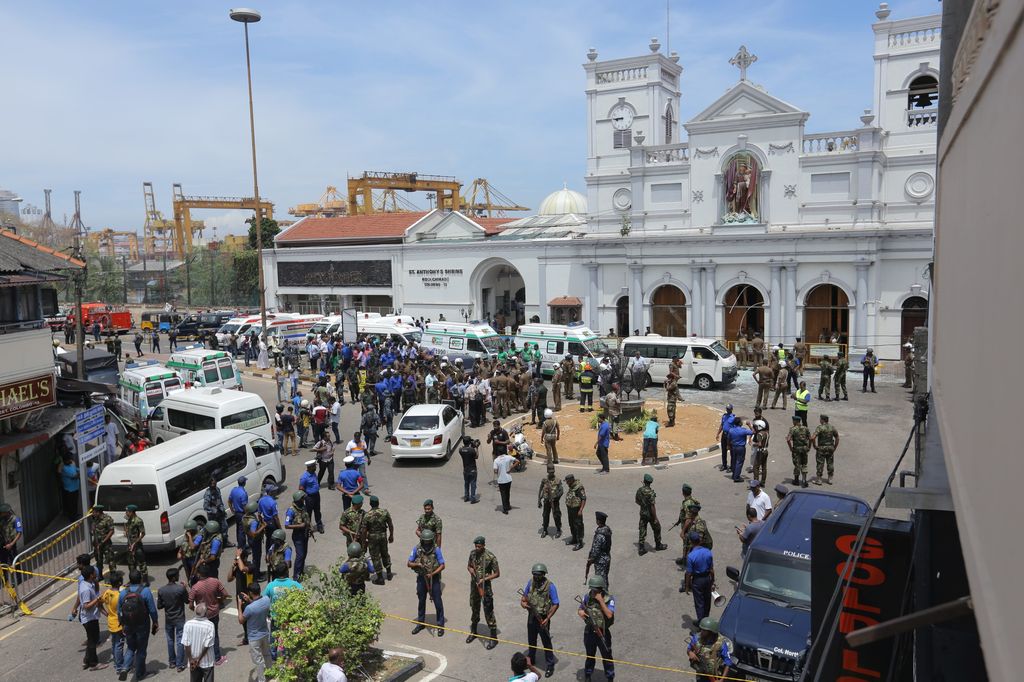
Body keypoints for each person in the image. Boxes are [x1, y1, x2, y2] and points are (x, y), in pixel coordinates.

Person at [118, 569, 159, 681]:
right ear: (140, 579)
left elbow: (119, 612)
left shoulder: (123, 593)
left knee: (130, 647)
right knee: (141, 649)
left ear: (129, 580)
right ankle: (140, 673)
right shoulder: (145, 591)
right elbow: (152, 610)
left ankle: (125, 668)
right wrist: (155, 622)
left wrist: (122, 625)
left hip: (128, 625)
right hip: (142, 625)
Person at [188, 563, 230, 666]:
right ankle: (217, 657)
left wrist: (196, 609)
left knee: (203, 636)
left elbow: (190, 605)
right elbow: (225, 594)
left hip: (202, 615)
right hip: (214, 613)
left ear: (199, 574)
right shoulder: (215, 581)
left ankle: (203, 657)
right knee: (214, 635)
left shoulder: (195, 587)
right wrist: (218, 601)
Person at [521, 563, 558, 678]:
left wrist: (547, 618)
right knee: (531, 640)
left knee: (546, 642)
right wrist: (524, 604)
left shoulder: (550, 586)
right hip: (532, 617)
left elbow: (556, 604)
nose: (536, 577)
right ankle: (531, 659)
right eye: (534, 574)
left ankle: (550, 665)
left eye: (538, 575)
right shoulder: (531, 582)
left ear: (543, 574)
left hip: (543, 618)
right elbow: (523, 598)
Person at [578, 574, 615, 682]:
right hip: (589, 632)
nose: (593, 592)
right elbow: (581, 608)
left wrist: (601, 601)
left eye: (595, 590)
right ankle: (588, 675)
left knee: (607, 656)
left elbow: (609, 615)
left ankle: (610, 677)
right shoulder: (587, 596)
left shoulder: (609, 599)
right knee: (590, 655)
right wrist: (580, 612)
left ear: (601, 589)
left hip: (603, 632)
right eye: (592, 589)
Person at [408, 529, 445, 636]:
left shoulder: (436, 549)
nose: (427, 543)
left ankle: (440, 625)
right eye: (425, 541)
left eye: (429, 541)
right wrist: (418, 565)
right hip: (421, 579)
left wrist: (432, 574)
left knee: (438, 602)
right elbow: (409, 563)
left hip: (434, 579)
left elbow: (442, 565)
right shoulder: (417, 548)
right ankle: (420, 623)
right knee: (421, 600)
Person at [465, 536, 500, 648]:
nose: (477, 548)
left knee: (488, 610)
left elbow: (497, 573)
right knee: (474, 608)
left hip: (485, 587)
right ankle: (474, 632)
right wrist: (473, 573)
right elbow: (469, 566)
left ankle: (493, 638)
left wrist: (484, 579)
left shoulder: (490, 557)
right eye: (476, 546)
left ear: (484, 545)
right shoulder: (473, 554)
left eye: (479, 546)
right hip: (474, 585)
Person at [237, 583, 272, 682]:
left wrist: (239, 605)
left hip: (254, 638)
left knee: (258, 661)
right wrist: (250, 600)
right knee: (267, 655)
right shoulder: (266, 599)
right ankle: (271, 673)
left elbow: (241, 620)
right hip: (265, 633)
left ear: (251, 593)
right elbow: (258, 605)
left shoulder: (249, 608)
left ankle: (262, 680)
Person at [76, 565, 107, 671]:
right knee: (93, 641)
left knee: (91, 640)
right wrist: (97, 599)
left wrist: (105, 613)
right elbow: (86, 606)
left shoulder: (90, 584)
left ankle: (87, 660)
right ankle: (94, 664)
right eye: (94, 572)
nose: (96, 573)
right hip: (89, 619)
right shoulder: (85, 589)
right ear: (90, 575)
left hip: (93, 617)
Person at [158, 568, 189, 673]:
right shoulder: (180, 589)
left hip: (169, 619)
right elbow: (187, 601)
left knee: (170, 640)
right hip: (179, 618)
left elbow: (159, 606)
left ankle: (172, 662)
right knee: (180, 641)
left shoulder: (161, 590)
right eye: (177, 575)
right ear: (174, 577)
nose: (179, 576)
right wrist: (185, 588)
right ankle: (179, 665)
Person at [687, 617, 735, 682]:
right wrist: (690, 652)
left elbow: (728, 662)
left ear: (711, 632)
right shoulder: (697, 637)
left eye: (704, 631)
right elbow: (689, 649)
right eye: (701, 629)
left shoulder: (721, 643)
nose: (701, 632)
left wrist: (722, 679)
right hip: (701, 671)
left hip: (714, 675)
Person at [684, 531, 715, 622]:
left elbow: (688, 573)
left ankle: (701, 625)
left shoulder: (690, 556)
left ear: (691, 541)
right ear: (699, 540)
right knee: (707, 601)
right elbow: (712, 570)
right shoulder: (708, 552)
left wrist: (687, 586)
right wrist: (712, 581)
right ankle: (706, 621)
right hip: (707, 579)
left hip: (697, 581)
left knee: (699, 603)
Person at [363, 496, 394, 584]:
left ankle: (380, 578)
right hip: (383, 536)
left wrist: (364, 540)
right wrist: (391, 535)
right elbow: (390, 525)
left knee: (375, 557)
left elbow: (364, 530)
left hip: (372, 537)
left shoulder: (367, 515)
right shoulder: (384, 512)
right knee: (385, 553)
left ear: (370, 504)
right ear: (378, 503)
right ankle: (389, 573)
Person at [182, 602, 216, 681]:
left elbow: (186, 644)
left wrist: (191, 659)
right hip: (207, 661)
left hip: (193, 662)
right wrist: (199, 659)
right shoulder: (210, 625)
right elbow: (207, 645)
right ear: (206, 613)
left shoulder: (188, 624)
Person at [635, 473, 667, 555]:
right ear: (650, 482)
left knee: (642, 529)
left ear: (644, 481)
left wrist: (643, 505)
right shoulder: (650, 493)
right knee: (657, 528)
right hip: (650, 514)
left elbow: (637, 501)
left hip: (642, 512)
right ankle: (658, 545)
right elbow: (652, 506)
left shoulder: (639, 490)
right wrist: (655, 517)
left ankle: (641, 548)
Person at [285, 491, 311, 580]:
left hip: (305, 533)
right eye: (303, 498)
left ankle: (301, 571)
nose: (304, 499)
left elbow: (306, 518)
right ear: (299, 500)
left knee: (304, 554)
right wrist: (299, 526)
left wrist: (309, 527)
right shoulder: (291, 510)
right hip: (297, 535)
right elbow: (287, 525)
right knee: (300, 555)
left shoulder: (302, 506)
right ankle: (296, 576)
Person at [811, 414, 840, 485]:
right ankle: (830, 479)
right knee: (830, 463)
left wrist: (814, 446)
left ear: (822, 420)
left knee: (820, 463)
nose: (819, 420)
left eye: (820, 419)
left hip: (821, 448)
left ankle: (819, 480)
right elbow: (837, 437)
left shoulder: (820, 428)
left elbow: (813, 437)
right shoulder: (832, 427)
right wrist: (834, 447)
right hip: (830, 448)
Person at [123, 504, 148, 584]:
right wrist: (126, 532)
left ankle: (145, 581)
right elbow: (129, 532)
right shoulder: (129, 520)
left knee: (142, 564)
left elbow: (143, 533)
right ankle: (133, 580)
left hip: (137, 545)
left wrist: (135, 543)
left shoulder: (138, 520)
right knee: (131, 564)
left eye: (127, 512)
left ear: (132, 512)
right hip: (130, 545)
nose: (126, 513)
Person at [786, 414, 812, 488]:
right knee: (804, 464)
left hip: (796, 449)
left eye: (793, 421)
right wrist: (809, 447)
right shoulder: (805, 428)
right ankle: (804, 481)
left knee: (797, 464)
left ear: (795, 421)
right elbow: (810, 439)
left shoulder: (793, 429)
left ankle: (796, 480)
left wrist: (790, 448)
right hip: (804, 449)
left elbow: (788, 439)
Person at [537, 467, 563, 539]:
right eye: (550, 472)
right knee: (545, 515)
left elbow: (561, 491)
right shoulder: (544, 480)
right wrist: (539, 500)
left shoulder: (557, 480)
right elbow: (540, 489)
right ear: (548, 472)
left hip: (555, 502)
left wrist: (555, 497)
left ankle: (558, 530)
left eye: (552, 472)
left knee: (556, 515)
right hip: (546, 501)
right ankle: (545, 530)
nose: (551, 473)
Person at [586, 511, 612, 582]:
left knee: (600, 581)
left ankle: (604, 593)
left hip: (601, 560)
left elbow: (596, 550)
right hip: (607, 557)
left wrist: (591, 560)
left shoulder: (600, 535)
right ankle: (605, 591)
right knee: (605, 578)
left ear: (598, 521)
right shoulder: (607, 530)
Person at [299, 460, 324, 533]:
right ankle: (308, 528)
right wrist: (306, 496)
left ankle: (319, 525)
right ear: (310, 467)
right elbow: (301, 488)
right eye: (314, 466)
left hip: (316, 495)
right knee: (308, 513)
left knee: (317, 511)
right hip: (309, 497)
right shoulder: (304, 477)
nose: (315, 467)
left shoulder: (313, 473)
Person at [727, 416, 753, 483]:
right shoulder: (743, 430)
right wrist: (749, 425)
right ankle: (736, 477)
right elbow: (753, 432)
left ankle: (734, 475)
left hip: (733, 447)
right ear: (739, 423)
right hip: (740, 448)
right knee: (739, 462)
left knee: (734, 461)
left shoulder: (731, 430)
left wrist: (728, 445)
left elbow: (728, 439)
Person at [564, 474, 587, 551]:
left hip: (576, 510)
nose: (566, 483)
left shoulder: (579, 487)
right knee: (571, 524)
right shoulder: (571, 486)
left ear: (571, 480)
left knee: (578, 525)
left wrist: (581, 510)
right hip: (570, 508)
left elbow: (583, 498)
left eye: (567, 481)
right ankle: (574, 538)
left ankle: (580, 542)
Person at [228, 477, 249, 550]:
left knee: (238, 529)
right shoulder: (243, 493)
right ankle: (242, 547)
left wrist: (232, 510)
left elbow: (229, 501)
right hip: (242, 514)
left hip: (236, 513)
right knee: (242, 531)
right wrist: (247, 515)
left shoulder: (233, 490)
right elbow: (244, 506)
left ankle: (240, 544)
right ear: (244, 483)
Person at [493, 445, 515, 514]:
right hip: (508, 479)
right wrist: (511, 468)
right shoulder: (508, 457)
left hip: (501, 480)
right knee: (507, 493)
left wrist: (498, 471)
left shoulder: (496, 460)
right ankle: (508, 506)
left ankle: (505, 509)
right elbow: (517, 461)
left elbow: (495, 471)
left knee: (503, 494)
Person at [751, 412, 770, 487]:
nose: (755, 427)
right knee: (764, 467)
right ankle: (763, 482)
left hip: (760, 452)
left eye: (756, 426)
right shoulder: (766, 433)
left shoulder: (759, 434)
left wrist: (754, 444)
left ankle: (756, 483)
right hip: (765, 451)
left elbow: (759, 444)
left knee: (756, 467)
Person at [58, 456, 80, 522]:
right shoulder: (64, 468)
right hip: (70, 489)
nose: (70, 461)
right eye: (69, 460)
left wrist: (78, 470)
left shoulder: (71, 464)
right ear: (65, 461)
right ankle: (72, 517)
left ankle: (75, 514)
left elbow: (76, 469)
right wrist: (79, 473)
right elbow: (74, 476)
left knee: (75, 502)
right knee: (71, 504)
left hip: (75, 487)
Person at [459, 436, 480, 503]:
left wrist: (471, 445)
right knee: (473, 484)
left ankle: (466, 497)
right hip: (472, 470)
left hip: (465, 470)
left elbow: (464, 448)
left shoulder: (460, 450)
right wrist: (476, 447)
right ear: (469, 442)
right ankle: (473, 499)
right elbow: (476, 456)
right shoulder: (472, 450)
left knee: (466, 484)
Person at [715, 405, 734, 472]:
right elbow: (722, 425)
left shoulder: (733, 417)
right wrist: (718, 434)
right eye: (727, 409)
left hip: (730, 436)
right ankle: (724, 465)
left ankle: (732, 466)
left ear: (732, 409)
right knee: (724, 451)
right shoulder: (724, 416)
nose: (727, 410)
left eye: (729, 409)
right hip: (724, 435)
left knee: (732, 452)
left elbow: (735, 428)